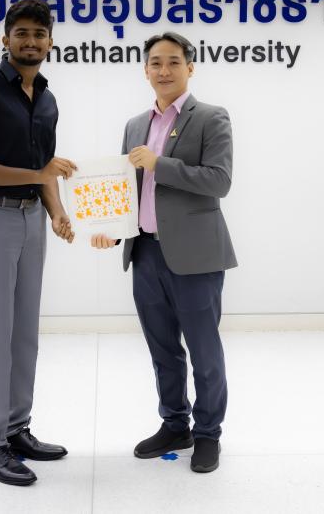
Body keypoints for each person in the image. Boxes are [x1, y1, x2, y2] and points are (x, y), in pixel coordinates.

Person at [91, 31, 237, 473]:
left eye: (174, 62)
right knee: (163, 350)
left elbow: (219, 181)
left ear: (190, 67)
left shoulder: (210, 117)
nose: (164, 70)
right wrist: (112, 229)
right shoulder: (135, 125)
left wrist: (160, 165)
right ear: (145, 70)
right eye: (156, 62)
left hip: (196, 257)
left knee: (204, 352)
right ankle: (175, 425)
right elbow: (124, 189)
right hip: (146, 254)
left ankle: (208, 434)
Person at [0, 0, 77, 486]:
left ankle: (17, 429)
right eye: (21, 33)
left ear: (50, 42)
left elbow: (45, 170)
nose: (30, 41)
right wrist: (39, 174)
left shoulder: (46, 99)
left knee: (25, 332)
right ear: (5, 39)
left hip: (32, 220)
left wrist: (58, 212)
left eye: (39, 34)